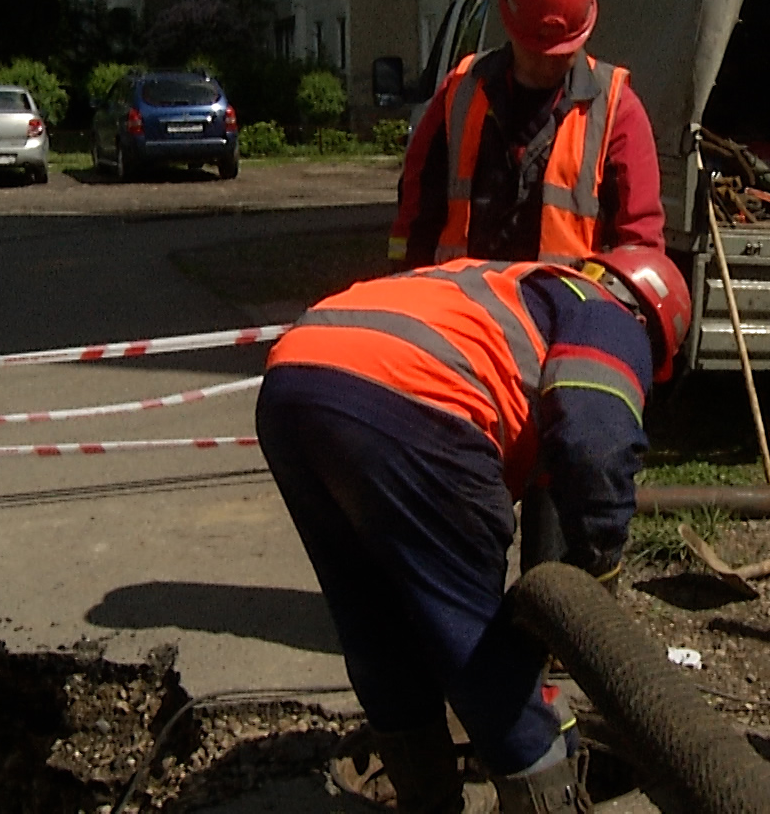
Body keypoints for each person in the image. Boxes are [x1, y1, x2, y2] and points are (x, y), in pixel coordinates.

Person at [255, 245, 692, 813]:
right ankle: (550, 798)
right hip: (417, 400)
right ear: (653, 329)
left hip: (294, 382)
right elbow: (593, 440)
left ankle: (423, 796)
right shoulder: (609, 314)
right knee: (475, 638)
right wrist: (599, 565)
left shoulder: (508, 285)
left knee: (373, 618)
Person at [389, 0, 666, 269]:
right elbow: (417, 209)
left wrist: (612, 310)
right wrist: (406, 285)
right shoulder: (461, 90)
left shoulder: (616, 109)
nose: (550, 65)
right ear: (510, 25)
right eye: (539, 52)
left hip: (563, 312)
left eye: (563, 52)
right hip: (467, 304)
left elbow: (639, 240)